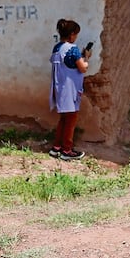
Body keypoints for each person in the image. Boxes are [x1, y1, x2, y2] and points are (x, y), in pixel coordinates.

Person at [49, 18, 91, 161]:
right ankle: (67, 150)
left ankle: (57, 147)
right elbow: (83, 67)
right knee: (71, 120)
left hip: (59, 88)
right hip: (70, 90)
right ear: (72, 34)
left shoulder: (57, 47)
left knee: (63, 118)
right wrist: (86, 56)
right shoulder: (72, 49)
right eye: (76, 34)